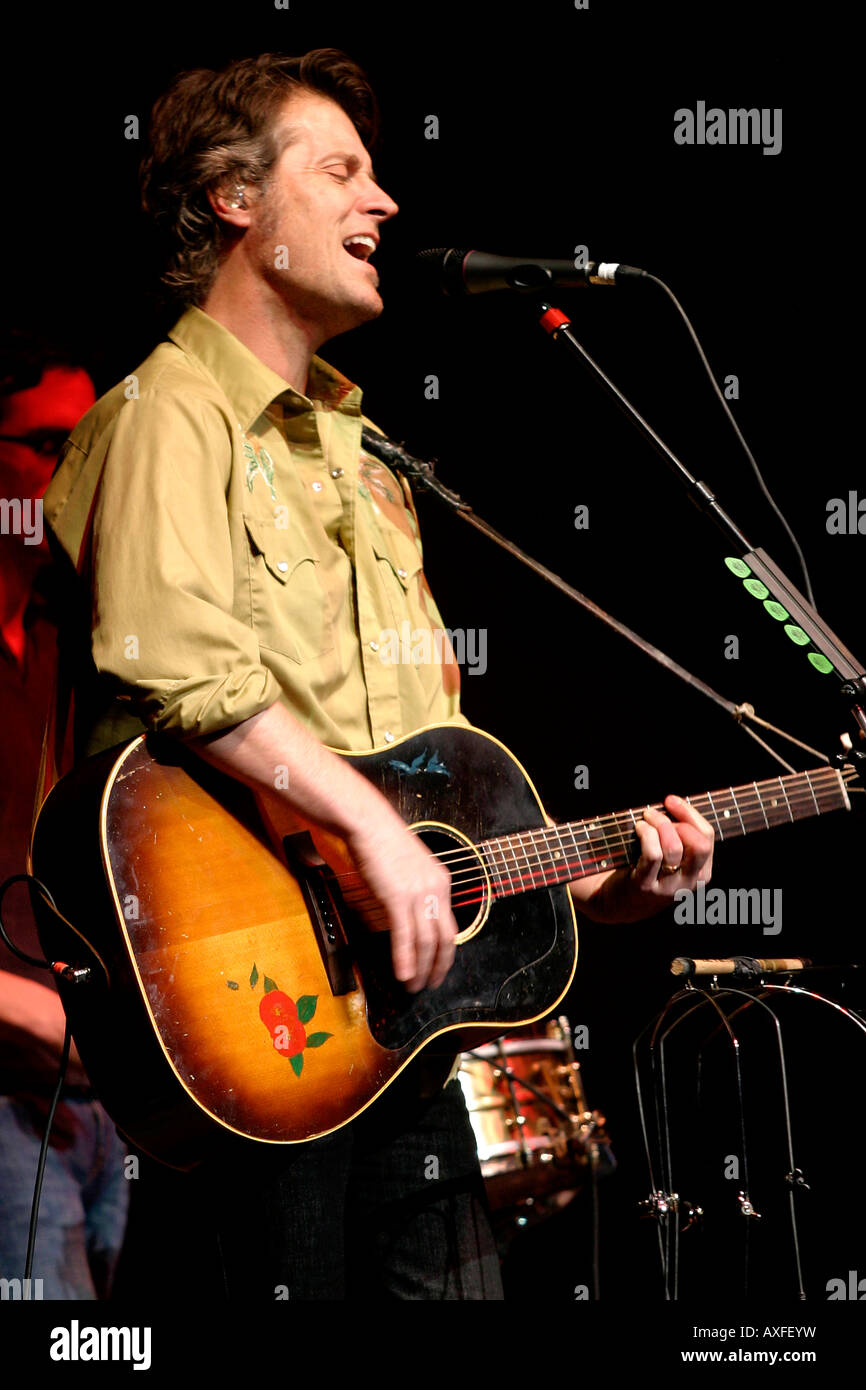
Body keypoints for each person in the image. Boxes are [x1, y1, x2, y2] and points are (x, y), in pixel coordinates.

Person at [40, 49, 714, 1300]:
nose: (385, 202)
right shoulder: (168, 412)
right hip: (251, 1010)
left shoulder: (366, 459)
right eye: (340, 169)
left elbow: (433, 786)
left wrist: (584, 883)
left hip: (402, 1039)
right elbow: (170, 655)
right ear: (234, 200)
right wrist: (364, 830)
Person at [0, 331, 130, 1299]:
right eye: (48, 445)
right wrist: (34, 1011)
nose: (71, 473)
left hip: (98, 1090)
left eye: (89, 446)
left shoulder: (83, 633)